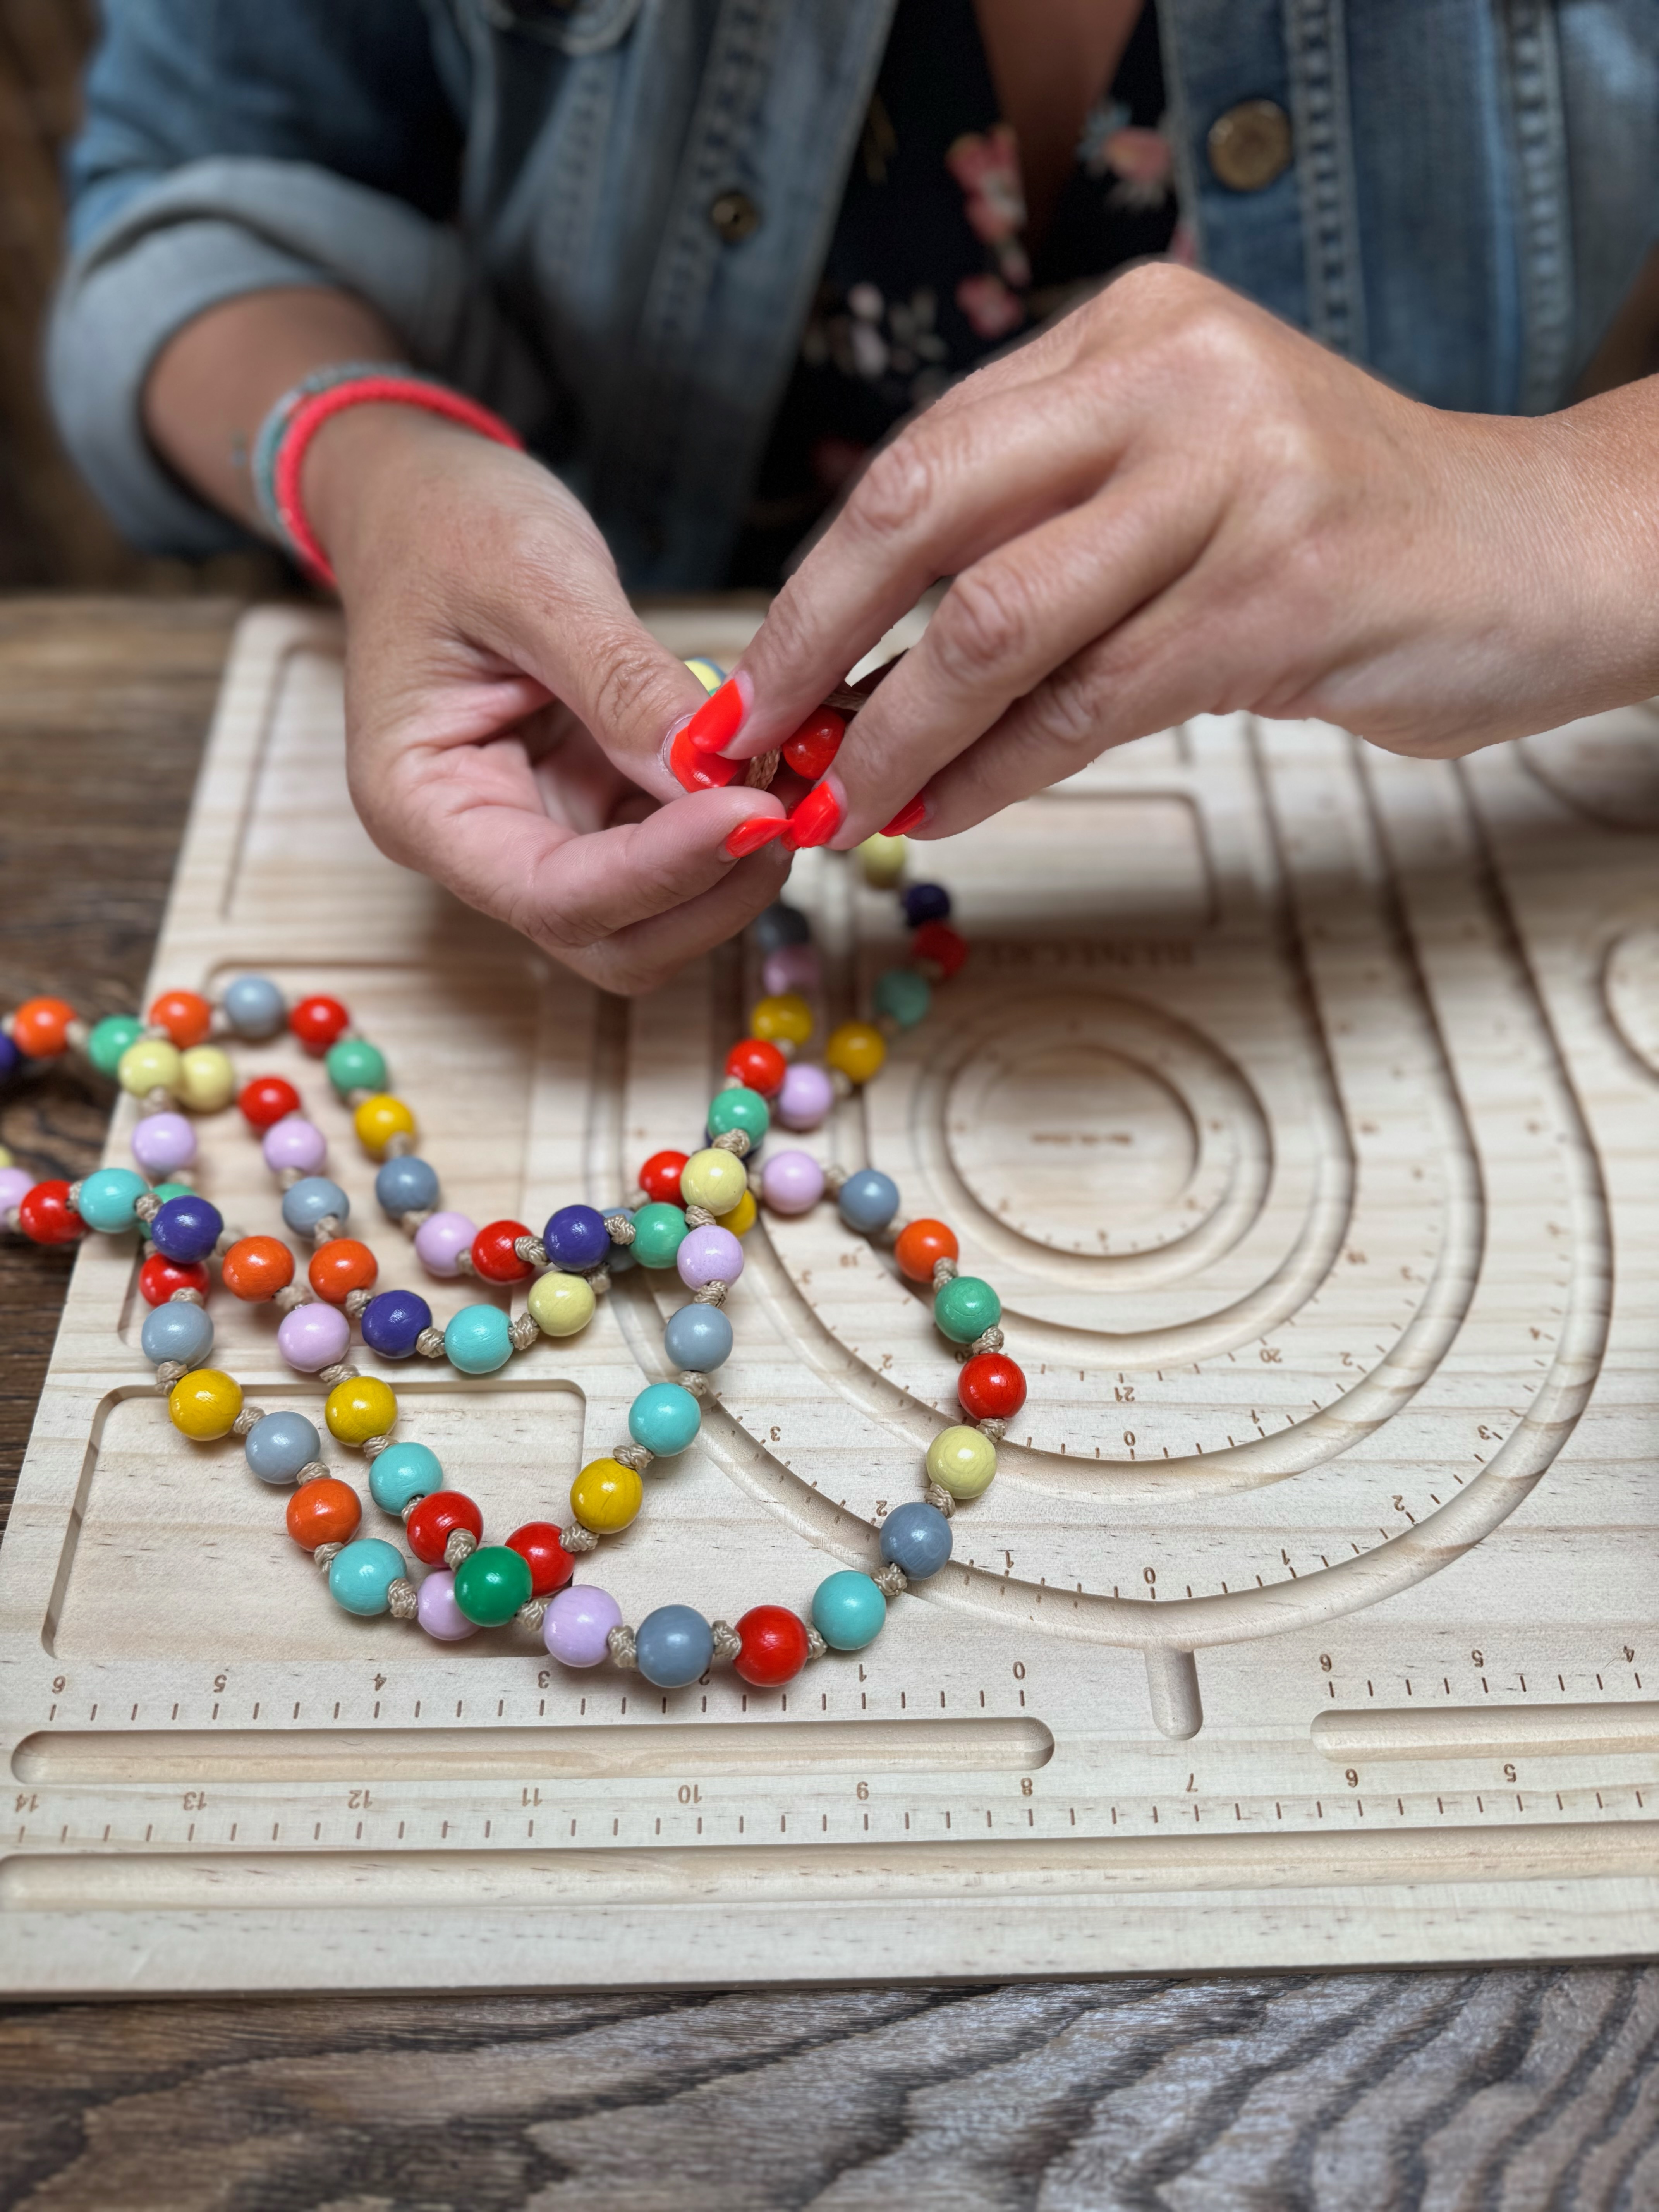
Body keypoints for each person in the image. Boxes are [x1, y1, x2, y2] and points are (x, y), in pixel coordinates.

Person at [50, 2, 1659, 991]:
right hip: (583, 786)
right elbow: (189, 197)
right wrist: (383, 464)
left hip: (1460, 862)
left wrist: (1560, 512)